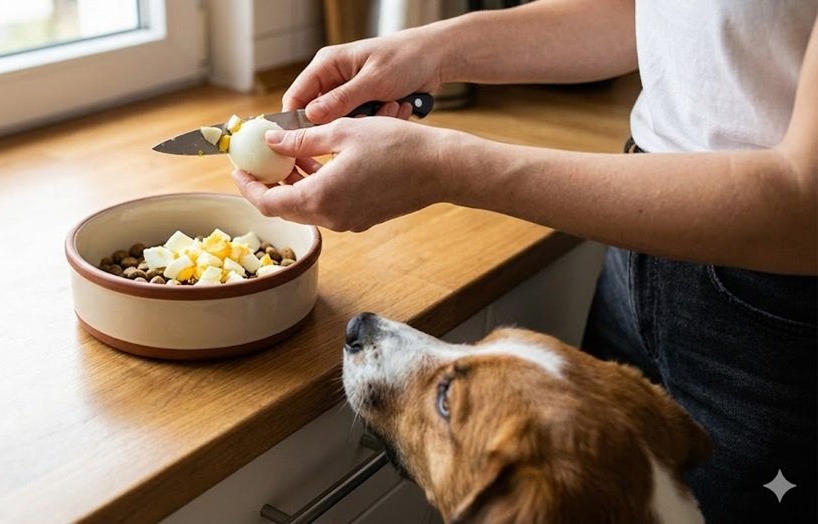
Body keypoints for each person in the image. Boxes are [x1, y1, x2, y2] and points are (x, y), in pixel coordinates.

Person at [231, 1, 817, 522]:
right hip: (639, 238)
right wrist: (432, 51)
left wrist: (445, 167)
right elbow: (647, 12)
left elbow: (806, 204)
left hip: (777, 325)